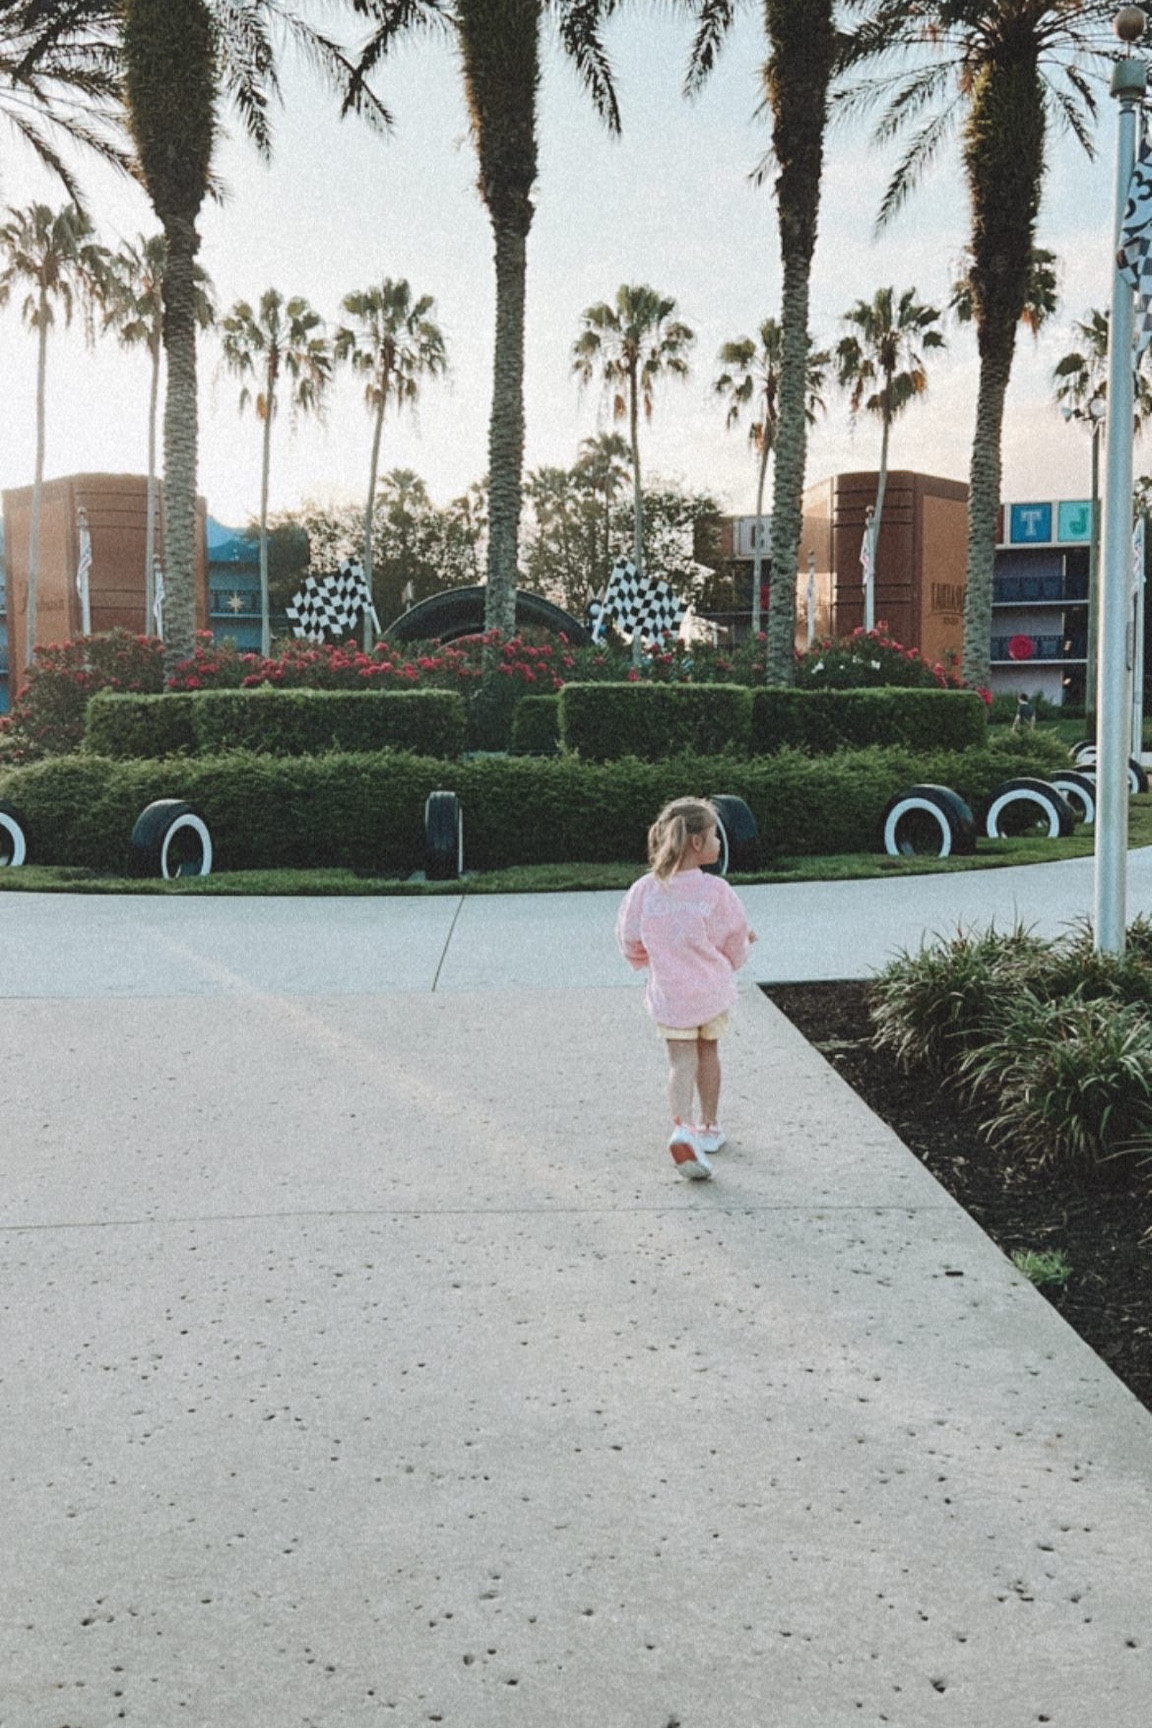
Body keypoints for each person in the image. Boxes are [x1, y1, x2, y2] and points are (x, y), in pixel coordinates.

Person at [615, 797, 758, 1181]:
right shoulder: (715, 891)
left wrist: (651, 959)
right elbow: (733, 939)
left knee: (680, 1063)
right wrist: (742, 948)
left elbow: (629, 938)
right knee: (708, 1054)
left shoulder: (645, 890)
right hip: (710, 994)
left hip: (670, 995)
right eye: (715, 838)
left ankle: (683, 1128)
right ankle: (710, 1127)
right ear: (697, 843)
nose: (718, 845)